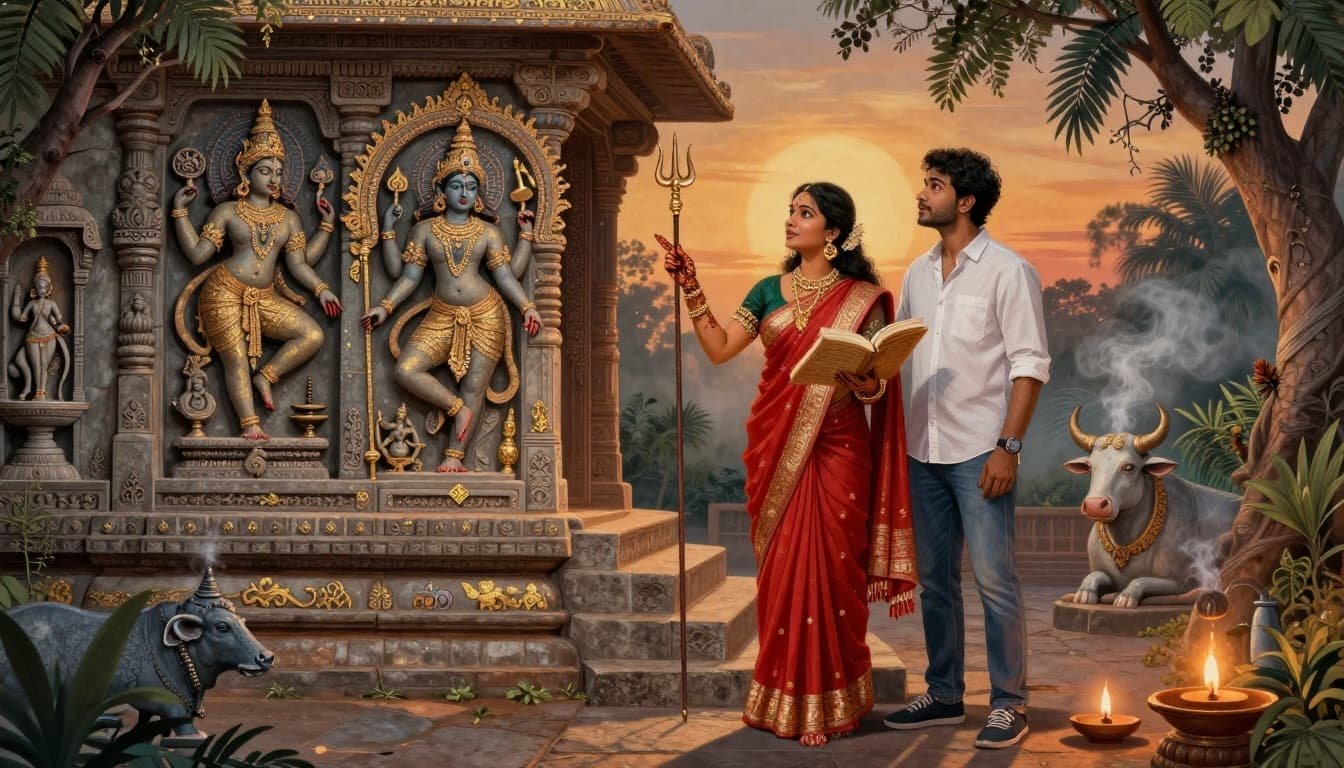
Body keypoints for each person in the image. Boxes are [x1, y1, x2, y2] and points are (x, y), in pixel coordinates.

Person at [658, 181, 918, 747]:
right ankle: (783, 697)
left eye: (805, 213)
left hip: (841, 448)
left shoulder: (863, 298)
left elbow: (877, 385)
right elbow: (722, 347)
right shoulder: (766, 292)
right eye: (790, 211)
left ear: (834, 232)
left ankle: (833, 701)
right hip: (777, 446)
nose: (792, 220)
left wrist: (866, 382)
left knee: (833, 570)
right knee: (783, 574)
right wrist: (692, 287)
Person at [882, 148, 1049, 749]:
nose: (922, 194)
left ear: (967, 200)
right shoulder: (915, 274)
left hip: (981, 451)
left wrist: (1008, 447)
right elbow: (895, 351)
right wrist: (865, 371)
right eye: (923, 183)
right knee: (935, 581)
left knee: (995, 580)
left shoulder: (1008, 271)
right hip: (922, 450)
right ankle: (945, 694)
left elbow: (1029, 366)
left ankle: (1009, 703)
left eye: (934, 185)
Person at [361, 119, 541, 472]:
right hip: (442, 314)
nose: (463, 192)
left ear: (478, 194)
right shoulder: (424, 229)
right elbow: (407, 276)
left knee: (474, 385)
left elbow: (507, 276)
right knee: (406, 370)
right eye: (456, 185)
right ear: (441, 191)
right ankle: (457, 408)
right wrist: (385, 305)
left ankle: (453, 457)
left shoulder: (488, 232)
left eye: (471, 186)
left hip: (485, 313)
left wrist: (527, 304)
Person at [172, 100, 342, 440]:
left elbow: (299, 263)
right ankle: (250, 424)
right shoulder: (227, 211)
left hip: (264, 297)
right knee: (234, 358)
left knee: (313, 334)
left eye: (279, 171)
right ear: (245, 173)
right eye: (265, 171)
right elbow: (196, 254)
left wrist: (322, 280)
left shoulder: (288, 218)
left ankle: (266, 376)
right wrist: (180, 213)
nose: (274, 178)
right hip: (223, 291)